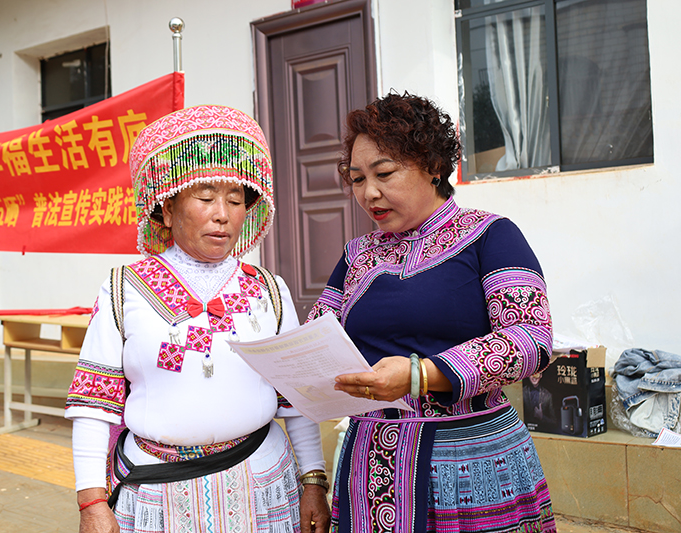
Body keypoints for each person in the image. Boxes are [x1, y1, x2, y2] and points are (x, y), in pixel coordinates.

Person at [65, 105, 331, 533]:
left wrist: (314, 482)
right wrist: (92, 502)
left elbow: (297, 401)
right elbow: (93, 406)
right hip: (157, 494)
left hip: (263, 485)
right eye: (205, 197)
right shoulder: (123, 289)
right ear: (167, 209)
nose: (222, 213)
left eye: (235, 199)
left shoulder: (269, 290)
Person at [307, 93, 556, 532]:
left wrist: (419, 375)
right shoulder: (356, 254)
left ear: (434, 166)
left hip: (470, 463)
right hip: (371, 468)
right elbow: (317, 337)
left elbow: (530, 339)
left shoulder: (490, 236)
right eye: (357, 178)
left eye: (384, 173)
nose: (369, 193)